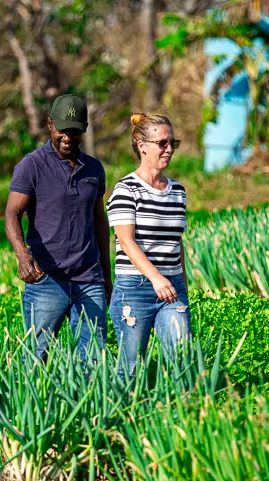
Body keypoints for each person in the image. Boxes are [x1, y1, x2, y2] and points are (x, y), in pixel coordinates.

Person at [5, 94, 112, 361]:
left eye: (75, 131)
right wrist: (22, 254)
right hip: (47, 278)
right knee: (35, 358)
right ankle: (32, 403)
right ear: (50, 125)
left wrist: (107, 275)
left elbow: (100, 222)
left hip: (89, 279)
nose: (68, 137)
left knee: (93, 359)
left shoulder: (94, 169)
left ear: (84, 129)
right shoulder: (32, 166)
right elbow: (12, 214)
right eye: (62, 130)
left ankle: (87, 404)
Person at [107, 112, 191, 376]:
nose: (169, 149)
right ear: (142, 147)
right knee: (131, 368)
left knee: (180, 360)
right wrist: (156, 278)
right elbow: (126, 241)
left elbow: (177, 244)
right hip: (135, 288)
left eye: (172, 143)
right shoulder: (126, 190)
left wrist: (182, 284)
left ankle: (177, 412)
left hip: (172, 287)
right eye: (162, 144)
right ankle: (127, 414)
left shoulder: (178, 191)